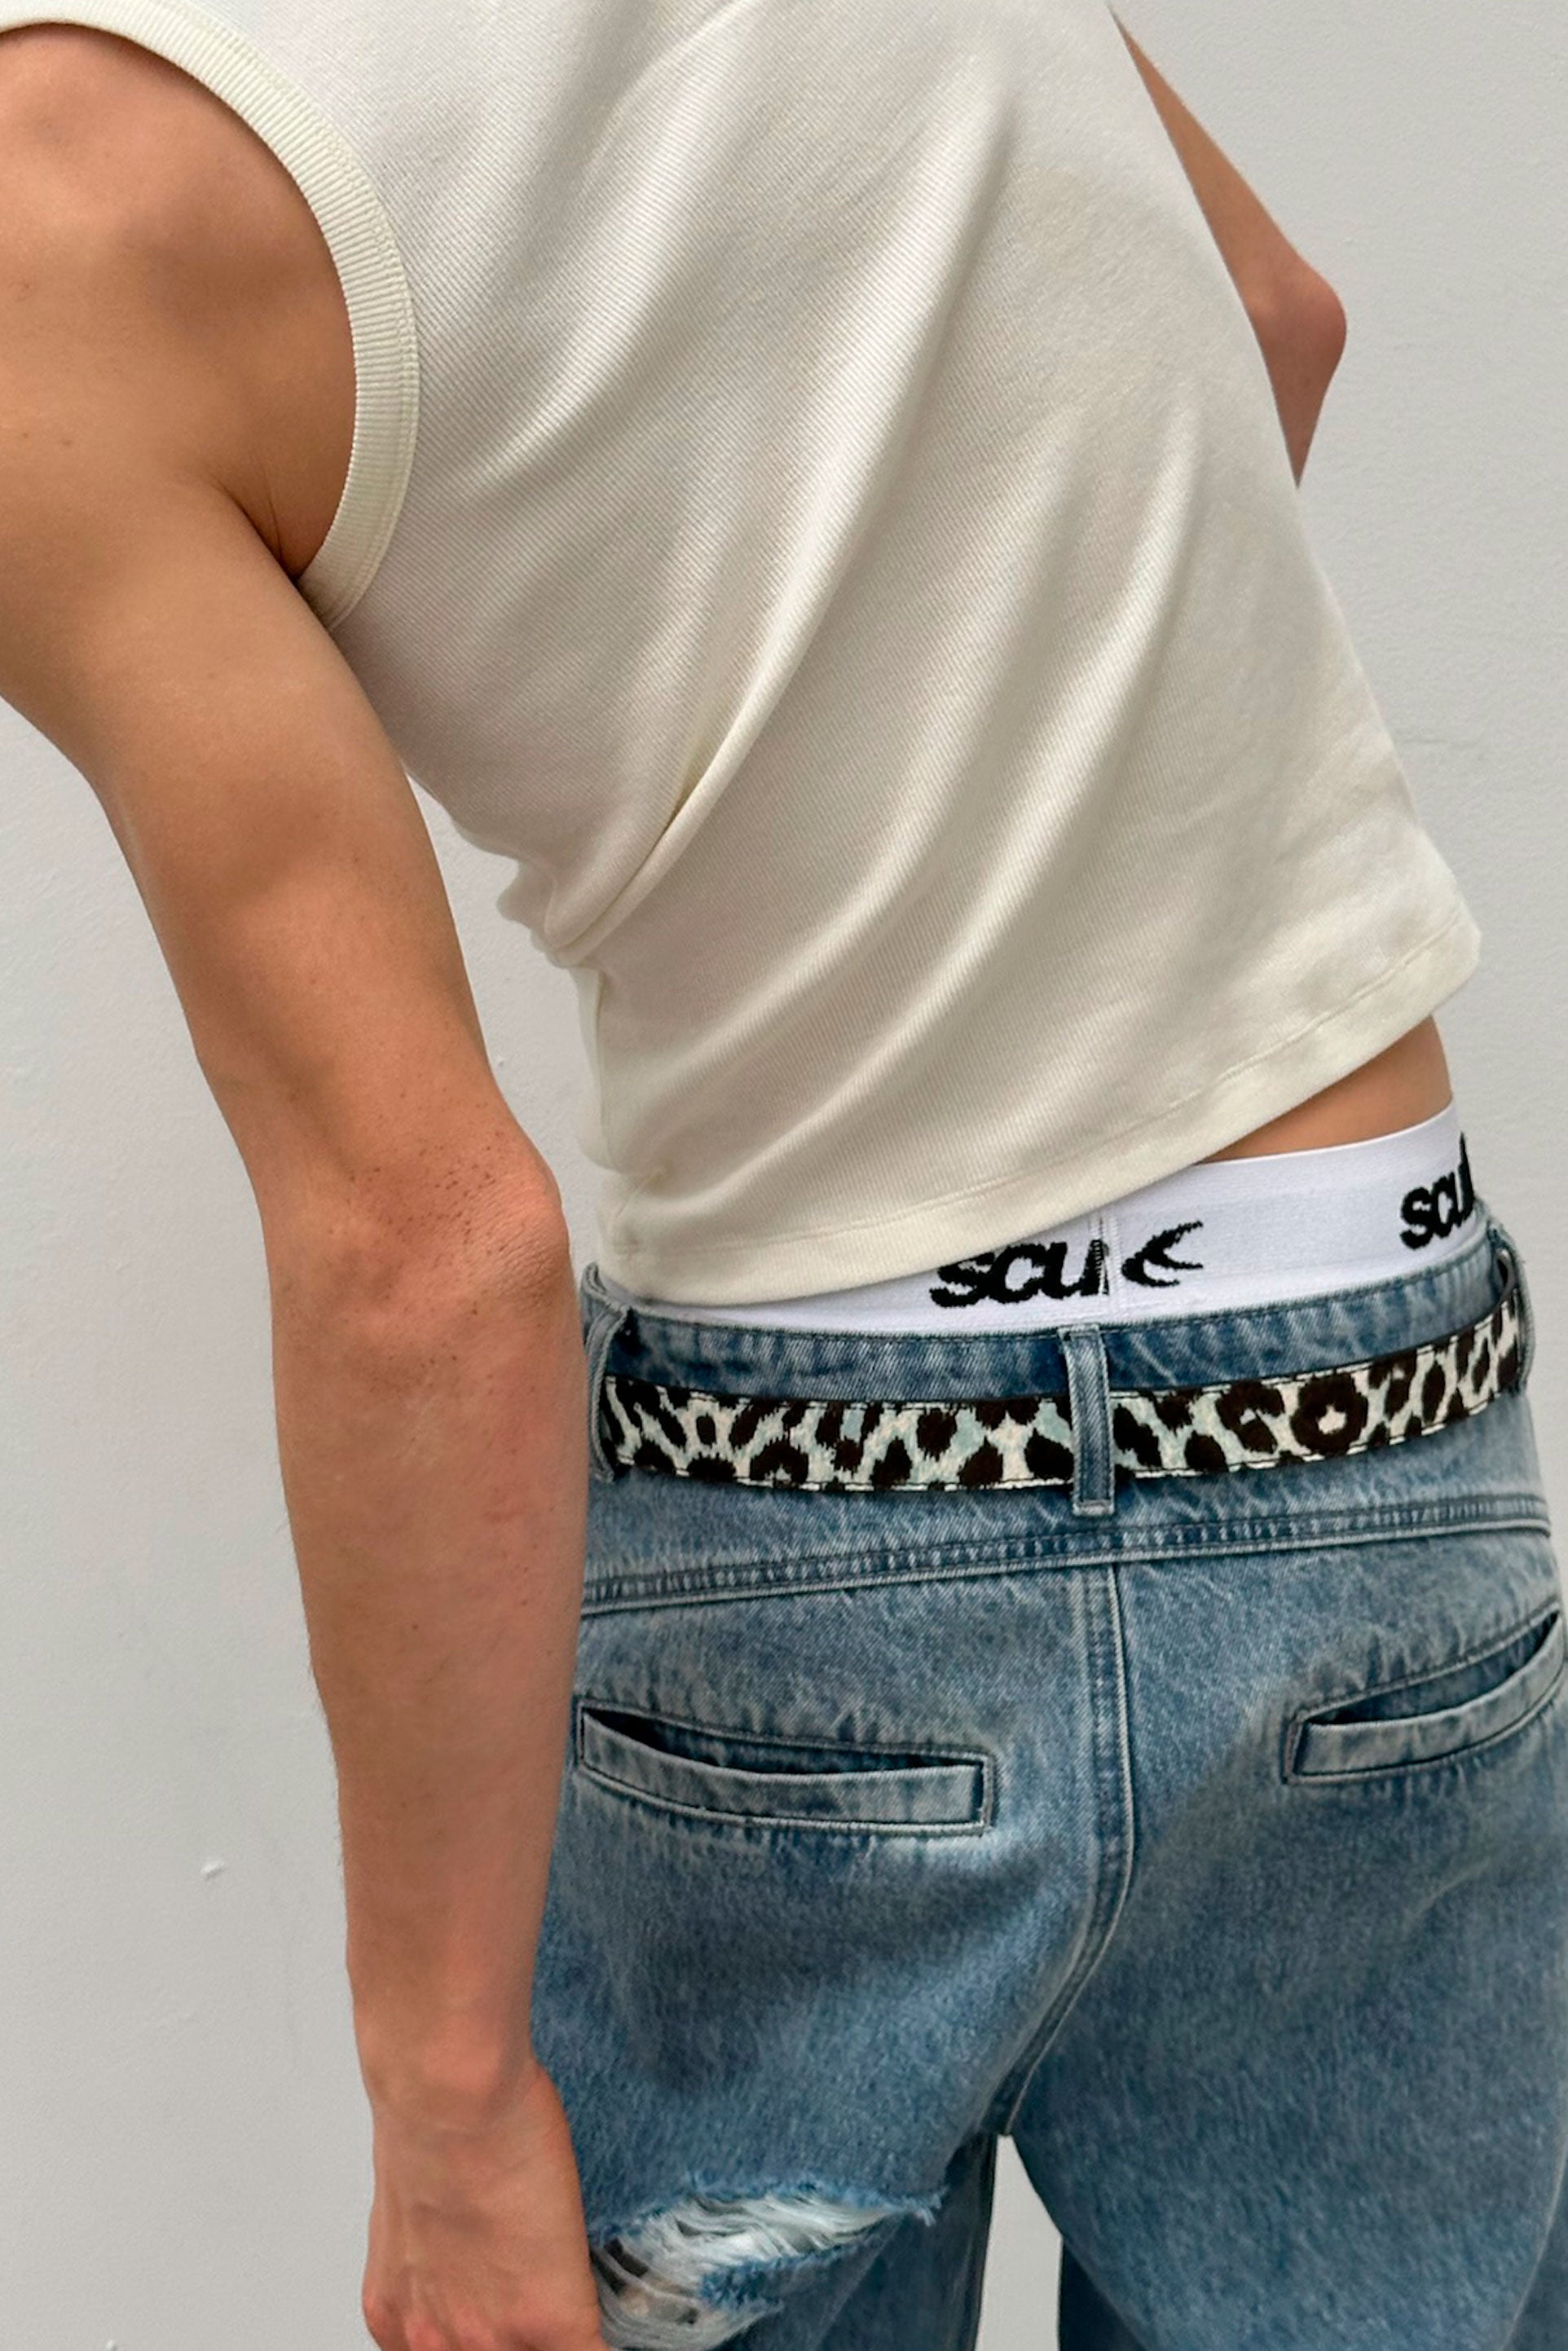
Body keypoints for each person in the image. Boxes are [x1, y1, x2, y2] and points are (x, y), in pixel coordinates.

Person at [0, 9, 1561, 2349]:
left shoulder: (60, 219)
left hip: (818, 1482)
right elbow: (1269, 312)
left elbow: (428, 1252)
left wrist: (445, 2108)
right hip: (1371, 1399)